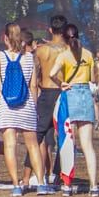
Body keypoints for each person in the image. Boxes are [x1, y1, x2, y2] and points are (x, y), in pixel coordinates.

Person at [0, 22, 47, 197]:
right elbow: (33, 85)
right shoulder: (29, 57)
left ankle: (16, 185)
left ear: (5, 38)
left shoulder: (1, 56)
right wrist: (33, 106)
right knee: (33, 145)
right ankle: (41, 183)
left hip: (6, 105)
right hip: (26, 104)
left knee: (10, 146)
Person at [48, 24, 99, 196]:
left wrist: (60, 83)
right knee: (88, 145)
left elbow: (51, 74)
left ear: (64, 37)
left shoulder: (64, 55)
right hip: (85, 96)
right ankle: (94, 186)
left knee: (67, 143)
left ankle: (67, 186)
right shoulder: (88, 54)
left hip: (69, 96)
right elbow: (92, 78)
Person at [30, 15, 68, 188]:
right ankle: (59, 174)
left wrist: (34, 96)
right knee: (64, 135)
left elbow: (35, 76)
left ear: (50, 30)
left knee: (38, 134)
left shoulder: (41, 50)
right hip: (64, 92)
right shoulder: (70, 49)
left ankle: (29, 174)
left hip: (46, 92)